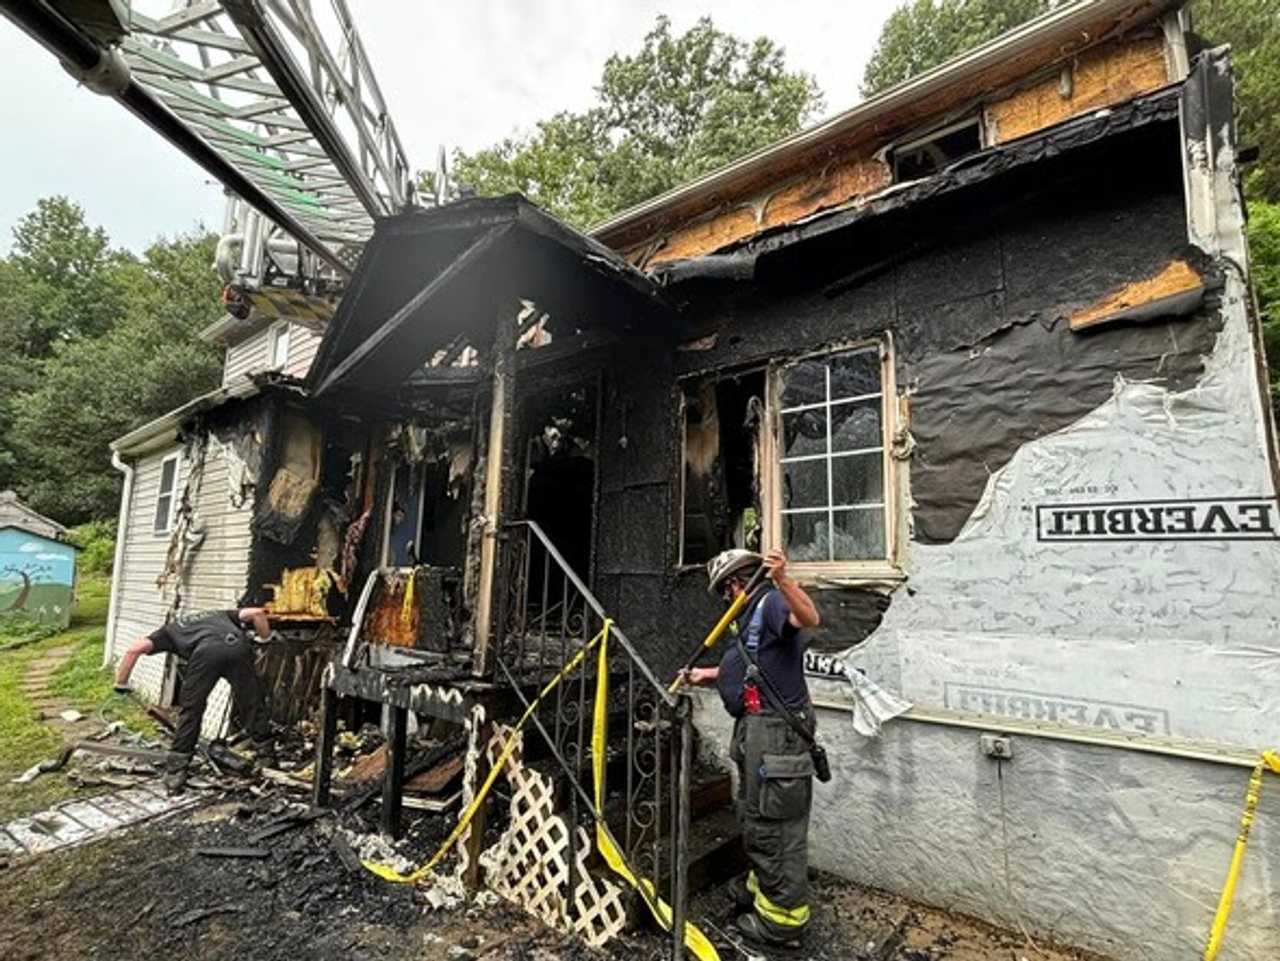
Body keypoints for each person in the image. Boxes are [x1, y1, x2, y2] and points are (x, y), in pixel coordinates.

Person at [681, 548, 822, 948]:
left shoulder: (772, 602)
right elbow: (751, 665)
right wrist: (705, 675)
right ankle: (760, 891)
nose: (726, 599)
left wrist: (783, 580)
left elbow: (809, 618)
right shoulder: (749, 620)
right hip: (756, 730)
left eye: (725, 591)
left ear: (736, 583)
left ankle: (782, 923)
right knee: (757, 814)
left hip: (774, 733)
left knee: (775, 824)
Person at [114, 607, 278, 794]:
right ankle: (267, 756)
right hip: (238, 646)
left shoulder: (167, 633)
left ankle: (176, 772)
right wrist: (264, 639)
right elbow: (256, 613)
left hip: (206, 654)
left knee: (192, 708)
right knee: (252, 700)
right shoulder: (221, 614)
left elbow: (134, 649)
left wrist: (121, 683)